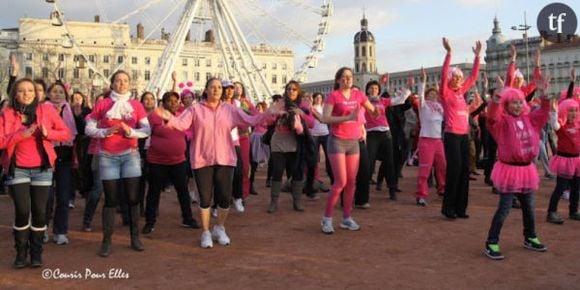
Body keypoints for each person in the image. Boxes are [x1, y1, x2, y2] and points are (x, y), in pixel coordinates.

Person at [155, 77, 282, 248]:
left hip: (225, 158)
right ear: (206, 90)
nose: (216, 90)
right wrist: (167, 117)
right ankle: (206, 232)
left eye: (218, 88)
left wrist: (268, 112)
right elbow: (180, 124)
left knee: (223, 199)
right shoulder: (195, 110)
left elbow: (251, 121)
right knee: (205, 200)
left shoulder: (230, 110)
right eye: (212, 87)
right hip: (202, 160)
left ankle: (220, 228)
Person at [1, 78, 71, 268]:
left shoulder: (45, 110)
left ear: (36, 93)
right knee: (23, 212)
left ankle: (37, 253)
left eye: (30, 90)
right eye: (22, 91)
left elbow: (66, 133)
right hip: (18, 169)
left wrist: (49, 134)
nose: (26, 94)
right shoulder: (7, 114)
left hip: (42, 170)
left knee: (40, 213)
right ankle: (21, 253)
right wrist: (19, 136)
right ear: (15, 93)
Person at [483, 75, 551, 260]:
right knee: (504, 208)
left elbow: (544, 112)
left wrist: (545, 95)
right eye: (513, 103)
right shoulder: (501, 123)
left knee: (529, 207)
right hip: (509, 170)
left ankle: (530, 236)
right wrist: (496, 98)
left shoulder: (531, 119)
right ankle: (491, 242)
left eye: (520, 102)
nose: (518, 106)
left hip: (526, 170)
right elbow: (491, 117)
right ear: (506, 105)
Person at [85, 70, 151, 257]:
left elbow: (146, 130)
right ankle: (106, 240)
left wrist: (130, 132)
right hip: (107, 155)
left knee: (132, 198)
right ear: (112, 83)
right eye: (118, 80)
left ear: (129, 83)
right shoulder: (103, 104)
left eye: (125, 80)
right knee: (111, 200)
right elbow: (88, 127)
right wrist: (104, 132)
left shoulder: (136, 105)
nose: (121, 84)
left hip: (130, 155)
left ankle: (135, 237)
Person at [319, 67, 378, 234]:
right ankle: (327, 218)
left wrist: (377, 111)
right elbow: (325, 118)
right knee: (340, 182)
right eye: (344, 77)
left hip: (354, 141)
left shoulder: (358, 95)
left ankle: (346, 218)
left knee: (352, 181)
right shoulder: (333, 96)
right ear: (338, 80)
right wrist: (347, 118)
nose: (347, 80)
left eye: (350, 77)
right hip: (337, 140)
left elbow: (372, 111)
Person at [142, 91, 199, 234]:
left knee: (183, 191)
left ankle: (187, 218)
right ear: (164, 103)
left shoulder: (182, 116)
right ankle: (150, 222)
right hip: (157, 161)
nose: (173, 104)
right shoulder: (154, 116)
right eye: (170, 101)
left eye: (176, 101)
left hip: (178, 160)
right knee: (154, 192)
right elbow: (145, 134)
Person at [439, 37, 481, 219]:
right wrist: (449, 54)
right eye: (454, 77)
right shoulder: (446, 93)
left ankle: (461, 208)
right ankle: (448, 208)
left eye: (459, 78)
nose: (457, 80)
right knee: (454, 170)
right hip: (451, 136)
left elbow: (473, 77)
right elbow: (442, 75)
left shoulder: (461, 93)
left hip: (464, 136)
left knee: (465, 171)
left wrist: (477, 57)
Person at [267, 80, 314, 213]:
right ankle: (274, 202)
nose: (291, 91)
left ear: (298, 91)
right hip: (279, 141)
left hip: (296, 142)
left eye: (294, 89)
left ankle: (297, 201)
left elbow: (312, 124)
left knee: (297, 171)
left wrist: (301, 113)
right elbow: (268, 119)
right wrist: (276, 113)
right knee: (277, 170)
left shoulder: (303, 105)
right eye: (288, 89)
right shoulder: (280, 103)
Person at [364, 79, 412, 202]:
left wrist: (407, 87)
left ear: (379, 90)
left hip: (385, 133)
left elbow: (400, 100)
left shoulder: (383, 101)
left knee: (389, 162)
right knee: (369, 162)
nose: (373, 90)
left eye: (375, 88)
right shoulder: (363, 102)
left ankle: (392, 189)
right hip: (372, 134)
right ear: (367, 90)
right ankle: (363, 192)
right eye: (371, 88)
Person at [46, 82, 78, 245]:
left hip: (64, 157)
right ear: (48, 94)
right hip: (46, 156)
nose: (58, 94)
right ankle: (43, 228)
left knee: (63, 197)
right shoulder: (43, 109)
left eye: (61, 92)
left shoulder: (69, 109)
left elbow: (74, 132)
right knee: (47, 197)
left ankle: (60, 231)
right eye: (54, 91)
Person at [415, 68, 446, 206]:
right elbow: (420, 95)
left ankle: (443, 189)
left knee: (442, 166)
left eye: (435, 94)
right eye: (431, 94)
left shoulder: (440, 107)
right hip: (426, 140)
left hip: (438, 141)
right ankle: (421, 195)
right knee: (425, 169)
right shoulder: (423, 106)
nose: (433, 96)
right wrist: (423, 81)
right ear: (427, 96)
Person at [546, 98, 579, 224]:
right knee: (561, 188)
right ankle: (551, 212)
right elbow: (555, 125)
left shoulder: (578, 124)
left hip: (576, 160)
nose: (574, 113)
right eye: (571, 110)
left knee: (576, 188)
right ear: (565, 112)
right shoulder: (562, 124)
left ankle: (573, 211)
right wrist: (554, 113)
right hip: (565, 160)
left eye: (575, 110)